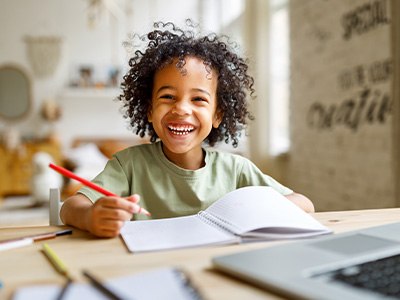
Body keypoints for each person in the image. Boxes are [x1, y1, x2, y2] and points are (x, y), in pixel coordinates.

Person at [60, 21, 314, 238]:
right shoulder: (129, 165)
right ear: (149, 110)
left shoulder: (237, 170)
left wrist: (253, 211)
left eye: (198, 99)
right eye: (168, 96)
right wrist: (90, 216)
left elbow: (305, 205)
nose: (181, 109)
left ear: (217, 115)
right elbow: (71, 207)